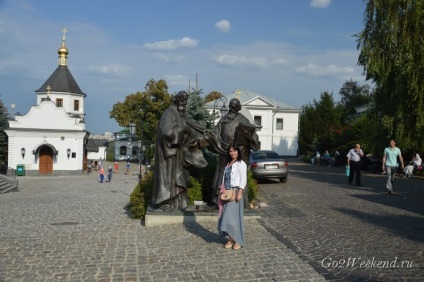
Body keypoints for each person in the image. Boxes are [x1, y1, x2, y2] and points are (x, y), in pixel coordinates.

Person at [151, 91, 207, 211]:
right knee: (169, 179)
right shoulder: (169, 113)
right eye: (182, 99)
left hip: (178, 153)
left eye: (186, 100)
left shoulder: (180, 114)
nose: (184, 102)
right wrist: (183, 129)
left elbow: (187, 127)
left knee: (180, 178)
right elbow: (167, 132)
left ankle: (179, 202)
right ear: (175, 100)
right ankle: (166, 202)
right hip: (169, 155)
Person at [198, 98, 259, 206]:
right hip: (224, 152)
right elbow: (215, 133)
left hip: (238, 153)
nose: (231, 108)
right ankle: (218, 200)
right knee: (221, 175)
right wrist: (203, 140)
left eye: (234, 106)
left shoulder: (243, 119)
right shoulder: (223, 120)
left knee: (237, 177)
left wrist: (248, 137)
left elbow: (253, 137)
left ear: (239, 108)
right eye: (230, 106)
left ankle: (240, 200)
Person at [218, 144, 247, 250]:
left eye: (235, 151)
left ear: (238, 152)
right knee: (228, 218)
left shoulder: (241, 164)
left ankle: (237, 240)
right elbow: (224, 179)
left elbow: (243, 179)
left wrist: (240, 193)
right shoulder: (228, 164)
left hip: (235, 193)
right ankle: (231, 239)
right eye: (230, 151)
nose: (233, 153)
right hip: (227, 193)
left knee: (234, 219)